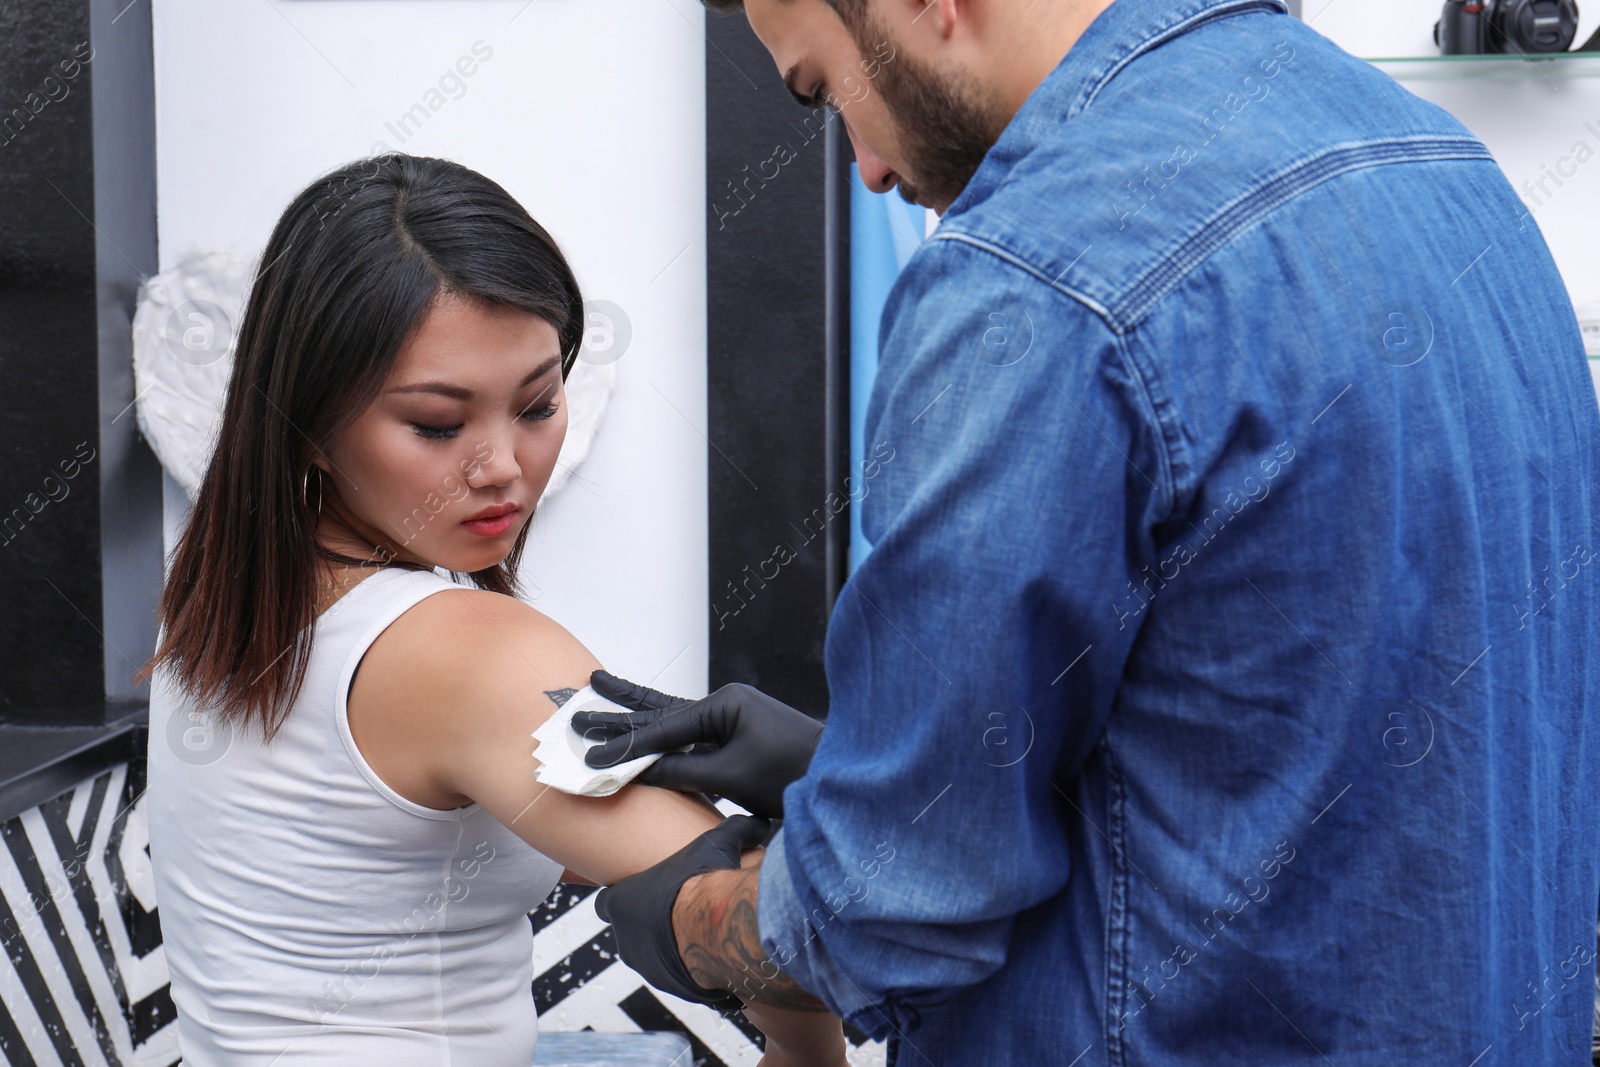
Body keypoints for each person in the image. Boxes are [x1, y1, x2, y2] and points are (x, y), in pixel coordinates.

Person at [574, 1, 1600, 1065]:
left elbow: (881, 911)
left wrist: (693, 917)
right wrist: (853, 765)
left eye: (824, 91)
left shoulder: (1039, 275)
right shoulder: (1438, 163)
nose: (867, 169)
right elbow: (1295, 719)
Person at [134, 153, 847, 1066]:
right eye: (438, 423)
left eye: (539, 404)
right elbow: (777, 927)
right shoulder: (465, 650)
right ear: (306, 421)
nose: (503, 465)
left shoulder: (220, 594)